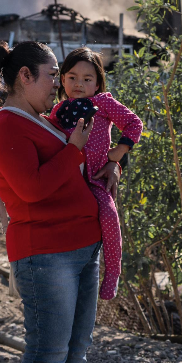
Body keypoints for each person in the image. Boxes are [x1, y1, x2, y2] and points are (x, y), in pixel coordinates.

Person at [0, 41, 120, 363]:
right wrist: (73, 149)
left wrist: (113, 162)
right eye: (54, 75)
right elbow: (32, 189)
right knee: (49, 355)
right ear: (26, 75)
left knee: (76, 353)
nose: (59, 84)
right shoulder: (6, 126)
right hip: (48, 254)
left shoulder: (44, 120)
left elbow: (90, 160)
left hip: (83, 246)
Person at [48, 47, 142, 299]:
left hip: (96, 180)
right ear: (62, 79)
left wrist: (117, 154)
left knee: (110, 219)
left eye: (87, 79)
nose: (79, 84)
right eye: (72, 77)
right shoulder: (58, 112)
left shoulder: (104, 103)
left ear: (98, 82)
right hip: (67, 181)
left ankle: (112, 273)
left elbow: (134, 123)